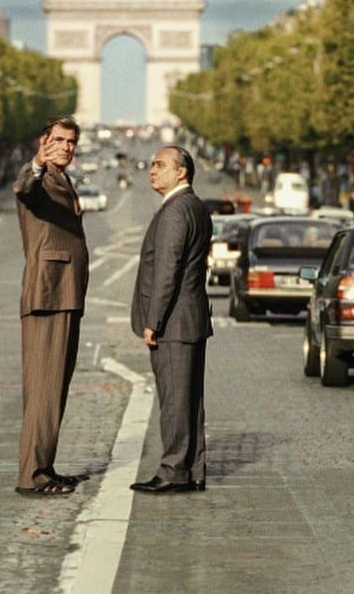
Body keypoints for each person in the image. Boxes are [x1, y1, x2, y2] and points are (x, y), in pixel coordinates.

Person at [13, 115, 90, 496]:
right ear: (43, 143)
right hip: (49, 293)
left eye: (71, 141)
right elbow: (26, 189)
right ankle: (33, 475)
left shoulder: (63, 178)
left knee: (53, 387)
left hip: (64, 293)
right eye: (58, 140)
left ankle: (44, 465)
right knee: (44, 388)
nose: (66, 147)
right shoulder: (39, 177)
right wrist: (37, 165)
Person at [129, 145, 212, 494]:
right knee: (190, 400)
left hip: (174, 322)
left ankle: (173, 471)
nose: (152, 170)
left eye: (161, 165)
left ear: (182, 172)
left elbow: (167, 270)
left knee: (175, 400)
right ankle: (191, 469)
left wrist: (154, 321)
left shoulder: (175, 211)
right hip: (190, 318)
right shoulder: (195, 206)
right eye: (152, 165)